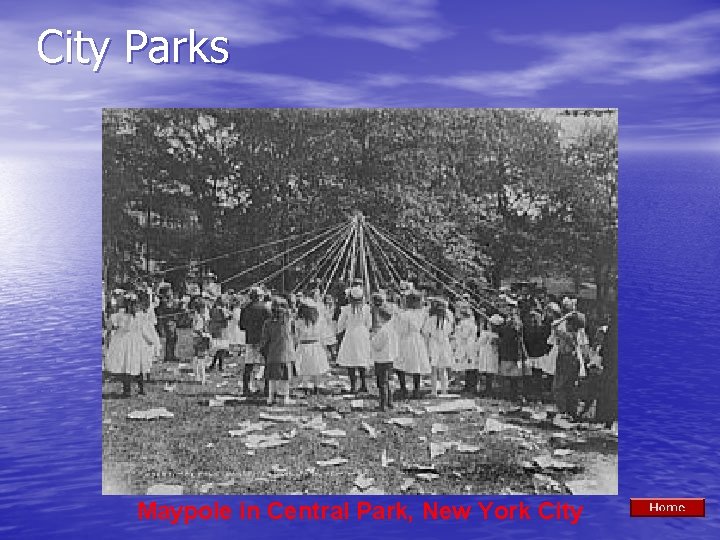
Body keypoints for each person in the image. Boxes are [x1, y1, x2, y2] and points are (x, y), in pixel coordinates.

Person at [104, 293, 156, 397]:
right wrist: (150, 340)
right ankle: (139, 389)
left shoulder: (120, 315)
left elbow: (109, 326)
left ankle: (128, 390)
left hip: (124, 342)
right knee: (136, 365)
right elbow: (144, 330)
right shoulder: (139, 315)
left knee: (126, 366)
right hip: (135, 343)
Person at [394, 290, 431, 399]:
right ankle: (416, 389)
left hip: (406, 339)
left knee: (400, 363)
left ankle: (403, 388)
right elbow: (425, 329)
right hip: (418, 339)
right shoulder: (422, 314)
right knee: (417, 364)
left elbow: (401, 329)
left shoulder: (404, 315)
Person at [336, 286, 372, 393]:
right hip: (362, 334)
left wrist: (339, 332)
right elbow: (369, 323)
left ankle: (353, 386)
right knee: (361, 358)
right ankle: (364, 384)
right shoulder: (366, 308)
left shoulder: (346, 309)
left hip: (351, 334)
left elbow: (340, 324)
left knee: (350, 360)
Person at [261, 298, 296, 406]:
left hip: (272, 353)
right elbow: (294, 334)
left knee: (272, 377)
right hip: (286, 352)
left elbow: (265, 339)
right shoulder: (289, 321)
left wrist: (264, 350)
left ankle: (271, 397)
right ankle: (284, 397)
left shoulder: (268, 323)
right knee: (285, 377)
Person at [239, 287, 272, 396]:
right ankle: (267, 388)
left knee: (249, 364)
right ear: (260, 297)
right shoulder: (265, 308)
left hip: (250, 339)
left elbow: (242, 326)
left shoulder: (245, 308)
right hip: (263, 340)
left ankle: (246, 388)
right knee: (267, 364)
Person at [294, 299, 330, 395]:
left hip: (304, 345)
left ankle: (306, 385)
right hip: (315, 345)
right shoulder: (319, 321)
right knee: (315, 367)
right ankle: (316, 385)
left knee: (305, 367)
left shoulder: (298, 322)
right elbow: (323, 334)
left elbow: (296, 336)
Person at [553, 312, 584, 417]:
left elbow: (554, 325)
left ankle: (563, 411)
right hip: (572, 360)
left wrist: (565, 316)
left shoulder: (568, 335)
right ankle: (571, 412)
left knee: (559, 387)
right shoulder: (576, 334)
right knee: (569, 387)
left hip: (566, 359)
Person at [422, 298, 454, 397]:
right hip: (442, 344)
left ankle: (435, 391)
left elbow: (425, 333)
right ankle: (443, 390)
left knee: (435, 368)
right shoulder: (447, 320)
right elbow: (449, 333)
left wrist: (427, 344)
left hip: (436, 344)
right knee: (441, 369)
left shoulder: (431, 320)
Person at [371, 303, 397, 411]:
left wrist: (372, 338)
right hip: (390, 358)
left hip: (381, 359)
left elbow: (377, 345)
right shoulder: (392, 329)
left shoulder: (383, 331)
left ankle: (383, 404)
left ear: (380, 317)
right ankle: (390, 402)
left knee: (381, 382)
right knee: (389, 381)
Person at [595, 315, 617, 427]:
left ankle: (607, 419)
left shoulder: (613, 327)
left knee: (609, 391)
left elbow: (606, 347)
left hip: (611, 364)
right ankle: (609, 420)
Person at [523, 310, 551, 401]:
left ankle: (538, 395)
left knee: (538, 376)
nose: (533, 320)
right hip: (530, 355)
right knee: (528, 376)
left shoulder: (542, 329)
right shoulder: (526, 329)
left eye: (535, 318)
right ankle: (528, 394)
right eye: (531, 318)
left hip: (539, 355)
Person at [453, 303, 478, 394]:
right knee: (468, 366)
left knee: (470, 365)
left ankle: (471, 387)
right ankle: (469, 386)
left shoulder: (465, 323)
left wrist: (458, 330)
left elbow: (464, 335)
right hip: (469, 344)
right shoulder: (471, 322)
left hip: (468, 345)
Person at [477, 314, 502, 396]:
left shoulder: (485, 334)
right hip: (492, 355)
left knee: (486, 372)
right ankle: (488, 388)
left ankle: (486, 389)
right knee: (490, 373)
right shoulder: (497, 335)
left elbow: (480, 343)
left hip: (486, 354)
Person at [208, 297, 230, 371]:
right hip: (221, 329)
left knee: (217, 347)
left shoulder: (212, 309)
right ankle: (219, 365)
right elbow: (226, 317)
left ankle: (214, 364)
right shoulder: (221, 310)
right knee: (221, 348)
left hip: (214, 328)